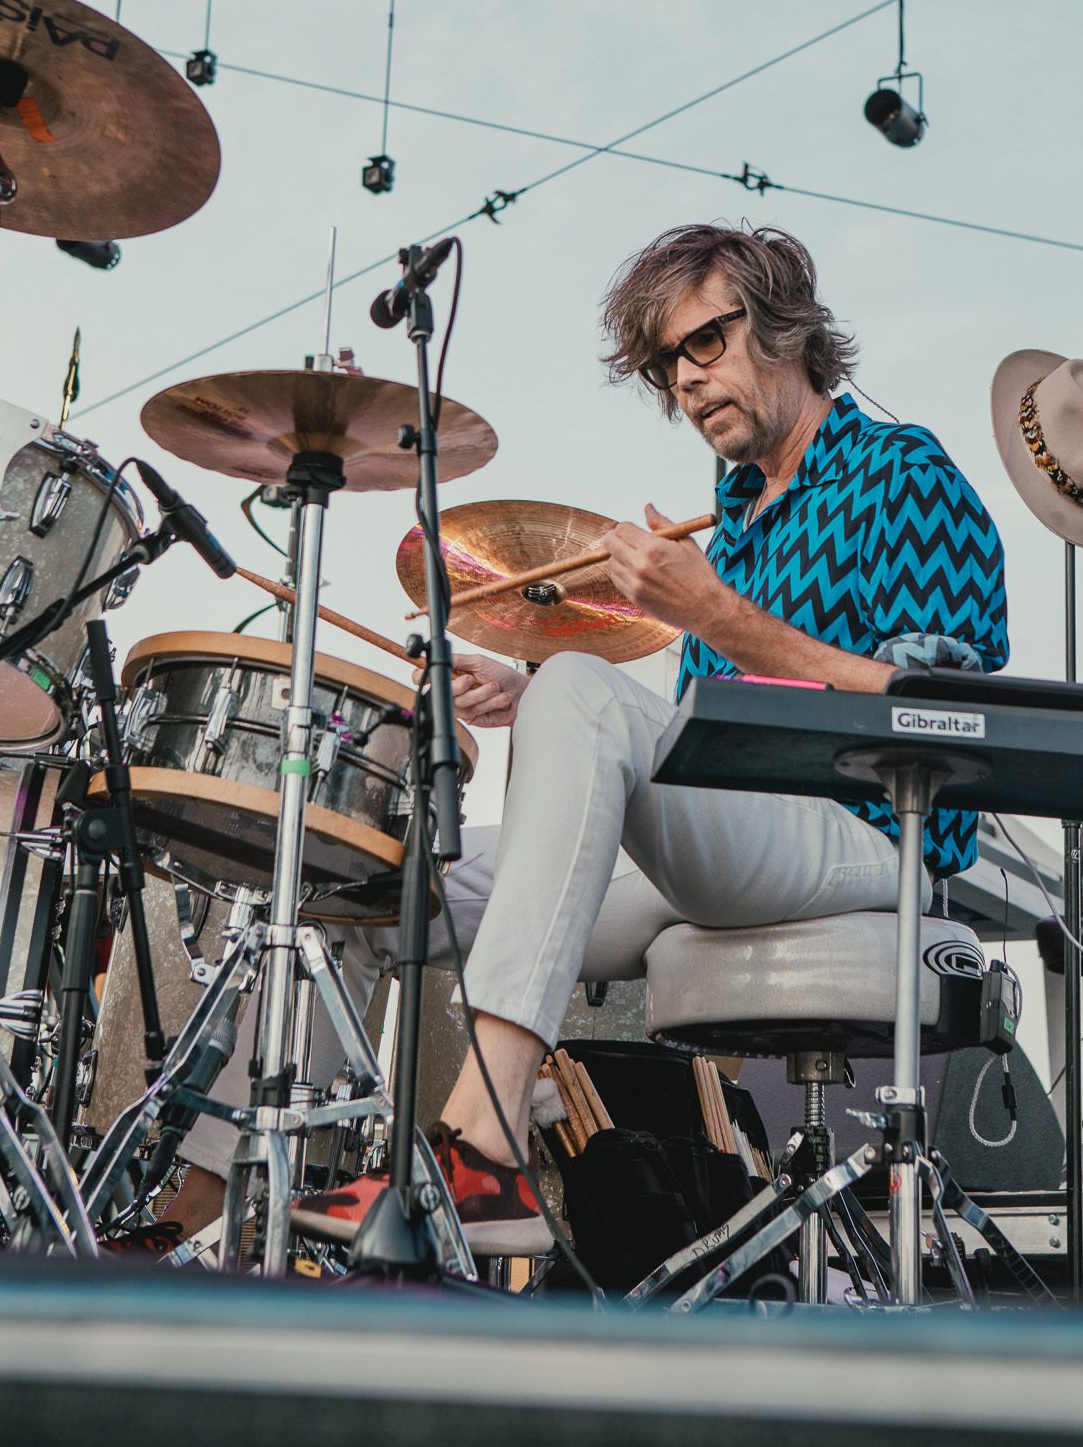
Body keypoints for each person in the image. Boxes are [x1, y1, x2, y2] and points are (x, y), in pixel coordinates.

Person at [172, 223, 1009, 1256]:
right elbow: (714, 718)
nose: (688, 382)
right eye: (668, 365)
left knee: (586, 682)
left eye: (706, 341)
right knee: (360, 874)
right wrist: (537, 700)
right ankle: (223, 1214)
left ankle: (481, 1152)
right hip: (740, 836)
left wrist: (708, 616)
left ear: (786, 322)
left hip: (870, 832)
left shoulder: (903, 473)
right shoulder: (739, 512)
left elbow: (944, 712)